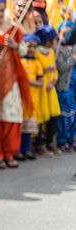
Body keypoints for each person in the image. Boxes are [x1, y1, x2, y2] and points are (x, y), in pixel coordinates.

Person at [0, 0, 33, 169]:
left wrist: (14, 45)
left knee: (11, 115)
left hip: (12, 78)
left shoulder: (13, 27)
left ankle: (10, 151)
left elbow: (24, 50)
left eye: (1, 10)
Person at [34, 25, 61, 155]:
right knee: (41, 116)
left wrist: (53, 81)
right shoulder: (37, 53)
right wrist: (46, 70)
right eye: (54, 40)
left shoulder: (52, 52)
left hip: (50, 88)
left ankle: (50, 141)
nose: (56, 42)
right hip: (40, 89)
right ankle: (39, 143)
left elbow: (55, 71)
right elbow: (35, 70)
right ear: (47, 41)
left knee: (53, 116)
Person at [19, 34, 44, 159]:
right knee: (19, 126)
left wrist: (29, 82)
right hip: (20, 98)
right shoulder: (20, 61)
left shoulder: (37, 63)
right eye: (29, 46)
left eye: (35, 47)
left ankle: (27, 149)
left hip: (32, 99)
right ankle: (18, 149)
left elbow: (41, 83)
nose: (32, 49)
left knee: (28, 127)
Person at [55, 21, 76, 152]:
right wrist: (73, 58)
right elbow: (62, 67)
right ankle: (62, 139)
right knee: (65, 114)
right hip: (65, 86)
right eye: (64, 32)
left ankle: (72, 138)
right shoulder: (58, 49)